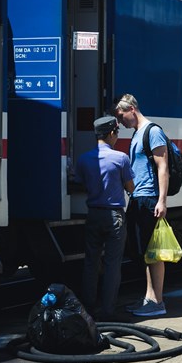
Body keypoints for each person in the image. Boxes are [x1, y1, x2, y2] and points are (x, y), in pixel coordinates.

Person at [114, 94, 170, 316]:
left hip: (149, 198)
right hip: (138, 197)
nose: (120, 122)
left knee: (153, 252)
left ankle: (158, 302)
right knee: (144, 252)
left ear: (132, 109)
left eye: (121, 116)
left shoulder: (153, 132)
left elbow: (162, 167)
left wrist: (162, 200)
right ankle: (149, 298)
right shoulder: (138, 133)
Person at [74, 116, 134, 321]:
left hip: (93, 214)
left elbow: (80, 182)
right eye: (117, 133)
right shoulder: (121, 158)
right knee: (112, 264)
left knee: (91, 262)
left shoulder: (83, 159)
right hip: (114, 216)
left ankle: (88, 307)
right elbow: (130, 187)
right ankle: (108, 310)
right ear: (111, 133)